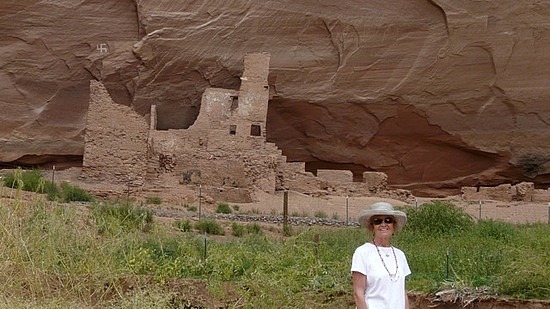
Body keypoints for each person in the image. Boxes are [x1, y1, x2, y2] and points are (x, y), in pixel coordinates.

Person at [351, 201, 411, 309]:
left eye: (388, 220)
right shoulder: (363, 252)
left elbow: (403, 293)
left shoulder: (400, 255)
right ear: (372, 226)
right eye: (378, 221)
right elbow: (358, 293)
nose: (383, 224)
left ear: (393, 225)